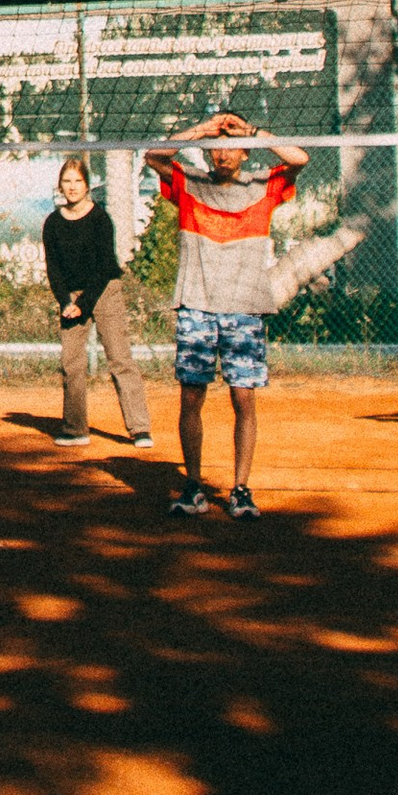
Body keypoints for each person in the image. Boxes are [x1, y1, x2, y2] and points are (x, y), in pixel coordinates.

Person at [146, 109, 307, 520]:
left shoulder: (264, 186)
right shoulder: (190, 184)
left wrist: (251, 132)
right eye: (216, 148)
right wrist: (201, 130)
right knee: (191, 397)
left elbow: (299, 159)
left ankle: (240, 489)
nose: (224, 154)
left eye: (232, 147)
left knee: (243, 399)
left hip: (245, 308)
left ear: (246, 152)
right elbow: (153, 156)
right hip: (197, 305)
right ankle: (194, 485)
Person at [41, 153, 153, 448]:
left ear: (88, 185)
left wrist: (84, 304)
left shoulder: (100, 218)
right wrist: (66, 301)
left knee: (119, 358)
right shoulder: (52, 223)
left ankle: (140, 429)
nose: (72, 187)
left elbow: (104, 267)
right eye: (67, 181)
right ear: (60, 186)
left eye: (77, 181)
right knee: (71, 363)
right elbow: (53, 268)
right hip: (72, 296)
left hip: (103, 291)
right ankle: (76, 428)